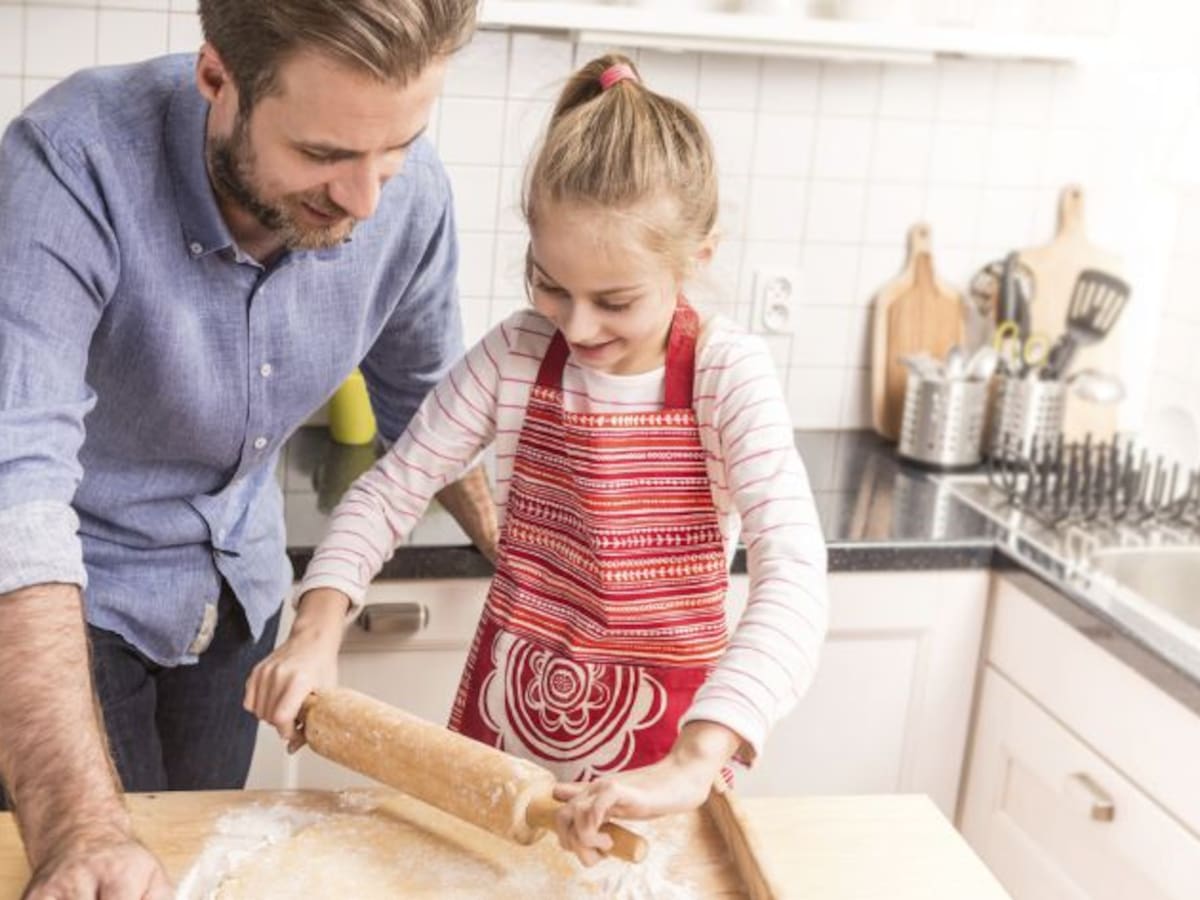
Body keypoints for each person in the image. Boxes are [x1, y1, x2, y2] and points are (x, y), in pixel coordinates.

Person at [247, 53, 829, 866]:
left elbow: (795, 574)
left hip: (665, 756)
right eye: (550, 285)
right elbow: (392, 489)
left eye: (616, 301)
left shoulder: (727, 377)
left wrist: (697, 761)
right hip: (503, 739)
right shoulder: (518, 354)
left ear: (696, 255)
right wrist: (315, 628)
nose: (578, 328)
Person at [0, 0, 496, 896]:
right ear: (217, 78)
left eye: (399, 148)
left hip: (238, 606)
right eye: (323, 156)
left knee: (198, 863)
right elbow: (13, 487)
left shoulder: (405, 198)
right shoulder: (70, 162)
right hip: (69, 610)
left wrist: (525, 555)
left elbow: (429, 412)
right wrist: (77, 827)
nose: (365, 199)